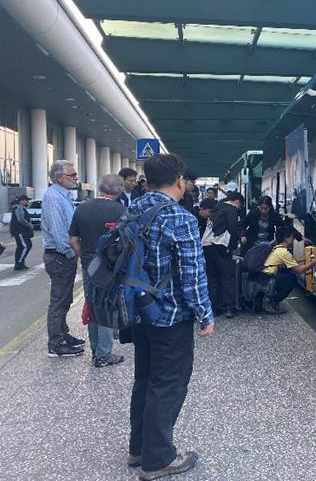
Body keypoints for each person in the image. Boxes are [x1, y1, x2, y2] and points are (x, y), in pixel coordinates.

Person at [127, 153, 214, 480]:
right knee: (168, 385)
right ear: (180, 180)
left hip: (139, 311)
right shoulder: (180, 218)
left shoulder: (133, 209)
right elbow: (192, 275)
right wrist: (205, 314)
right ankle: (158, 459)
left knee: (145, 380)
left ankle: (139, 448)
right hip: (171, 316)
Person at [69, 174, 126, 368]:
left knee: (93, 304)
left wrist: (85, 257)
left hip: (89, 264)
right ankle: (104, 353)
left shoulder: (82, 208)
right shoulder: (122, 211)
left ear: (100, 187)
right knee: (108, 305)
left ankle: (96, 349)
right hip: (112, 266)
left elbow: (73, 241)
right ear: (119, 191)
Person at [42, 160, 84, 358]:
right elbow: (59, 234)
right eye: (72, 175)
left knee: (65, 298)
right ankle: (56, 344)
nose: (76, 178)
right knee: (59, 301)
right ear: (59, 178)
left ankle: (63, 334)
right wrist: (73, 253)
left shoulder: (63, 196)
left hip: (64, 256)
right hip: (60, 256)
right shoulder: (53, 197)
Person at [261, 227, 316, 314]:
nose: (293, 240)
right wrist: (314, 263)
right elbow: (299, 270)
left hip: (263, 279)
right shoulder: (283, 252)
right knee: (291, 279)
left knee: (287, 274)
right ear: (286, 238)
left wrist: (306, 258)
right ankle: (273, 301)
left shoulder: (278, 248)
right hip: (266, 282)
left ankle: (271, 298)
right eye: (292, 237)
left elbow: (291, 260)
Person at [202, 192, 242, 318]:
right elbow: (233, 229)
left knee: (212, 278)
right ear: (237, 201)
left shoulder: (216, 207)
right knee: (227, 277)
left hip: (206, 245)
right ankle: (229, 308)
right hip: (221, 247)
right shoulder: (231, 210)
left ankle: (214, 308)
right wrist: (233, 247)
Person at [10, 195, 33, 270]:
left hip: (22, 231)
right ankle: (19, 263)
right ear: (21, 201)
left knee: (21, 246)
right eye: (26, 200)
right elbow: (21, 219)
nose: (27, 202)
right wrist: (29, 225)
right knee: (26, 246)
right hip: (20, 231)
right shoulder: (18, 208)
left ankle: (20, 263)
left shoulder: (21, 208)